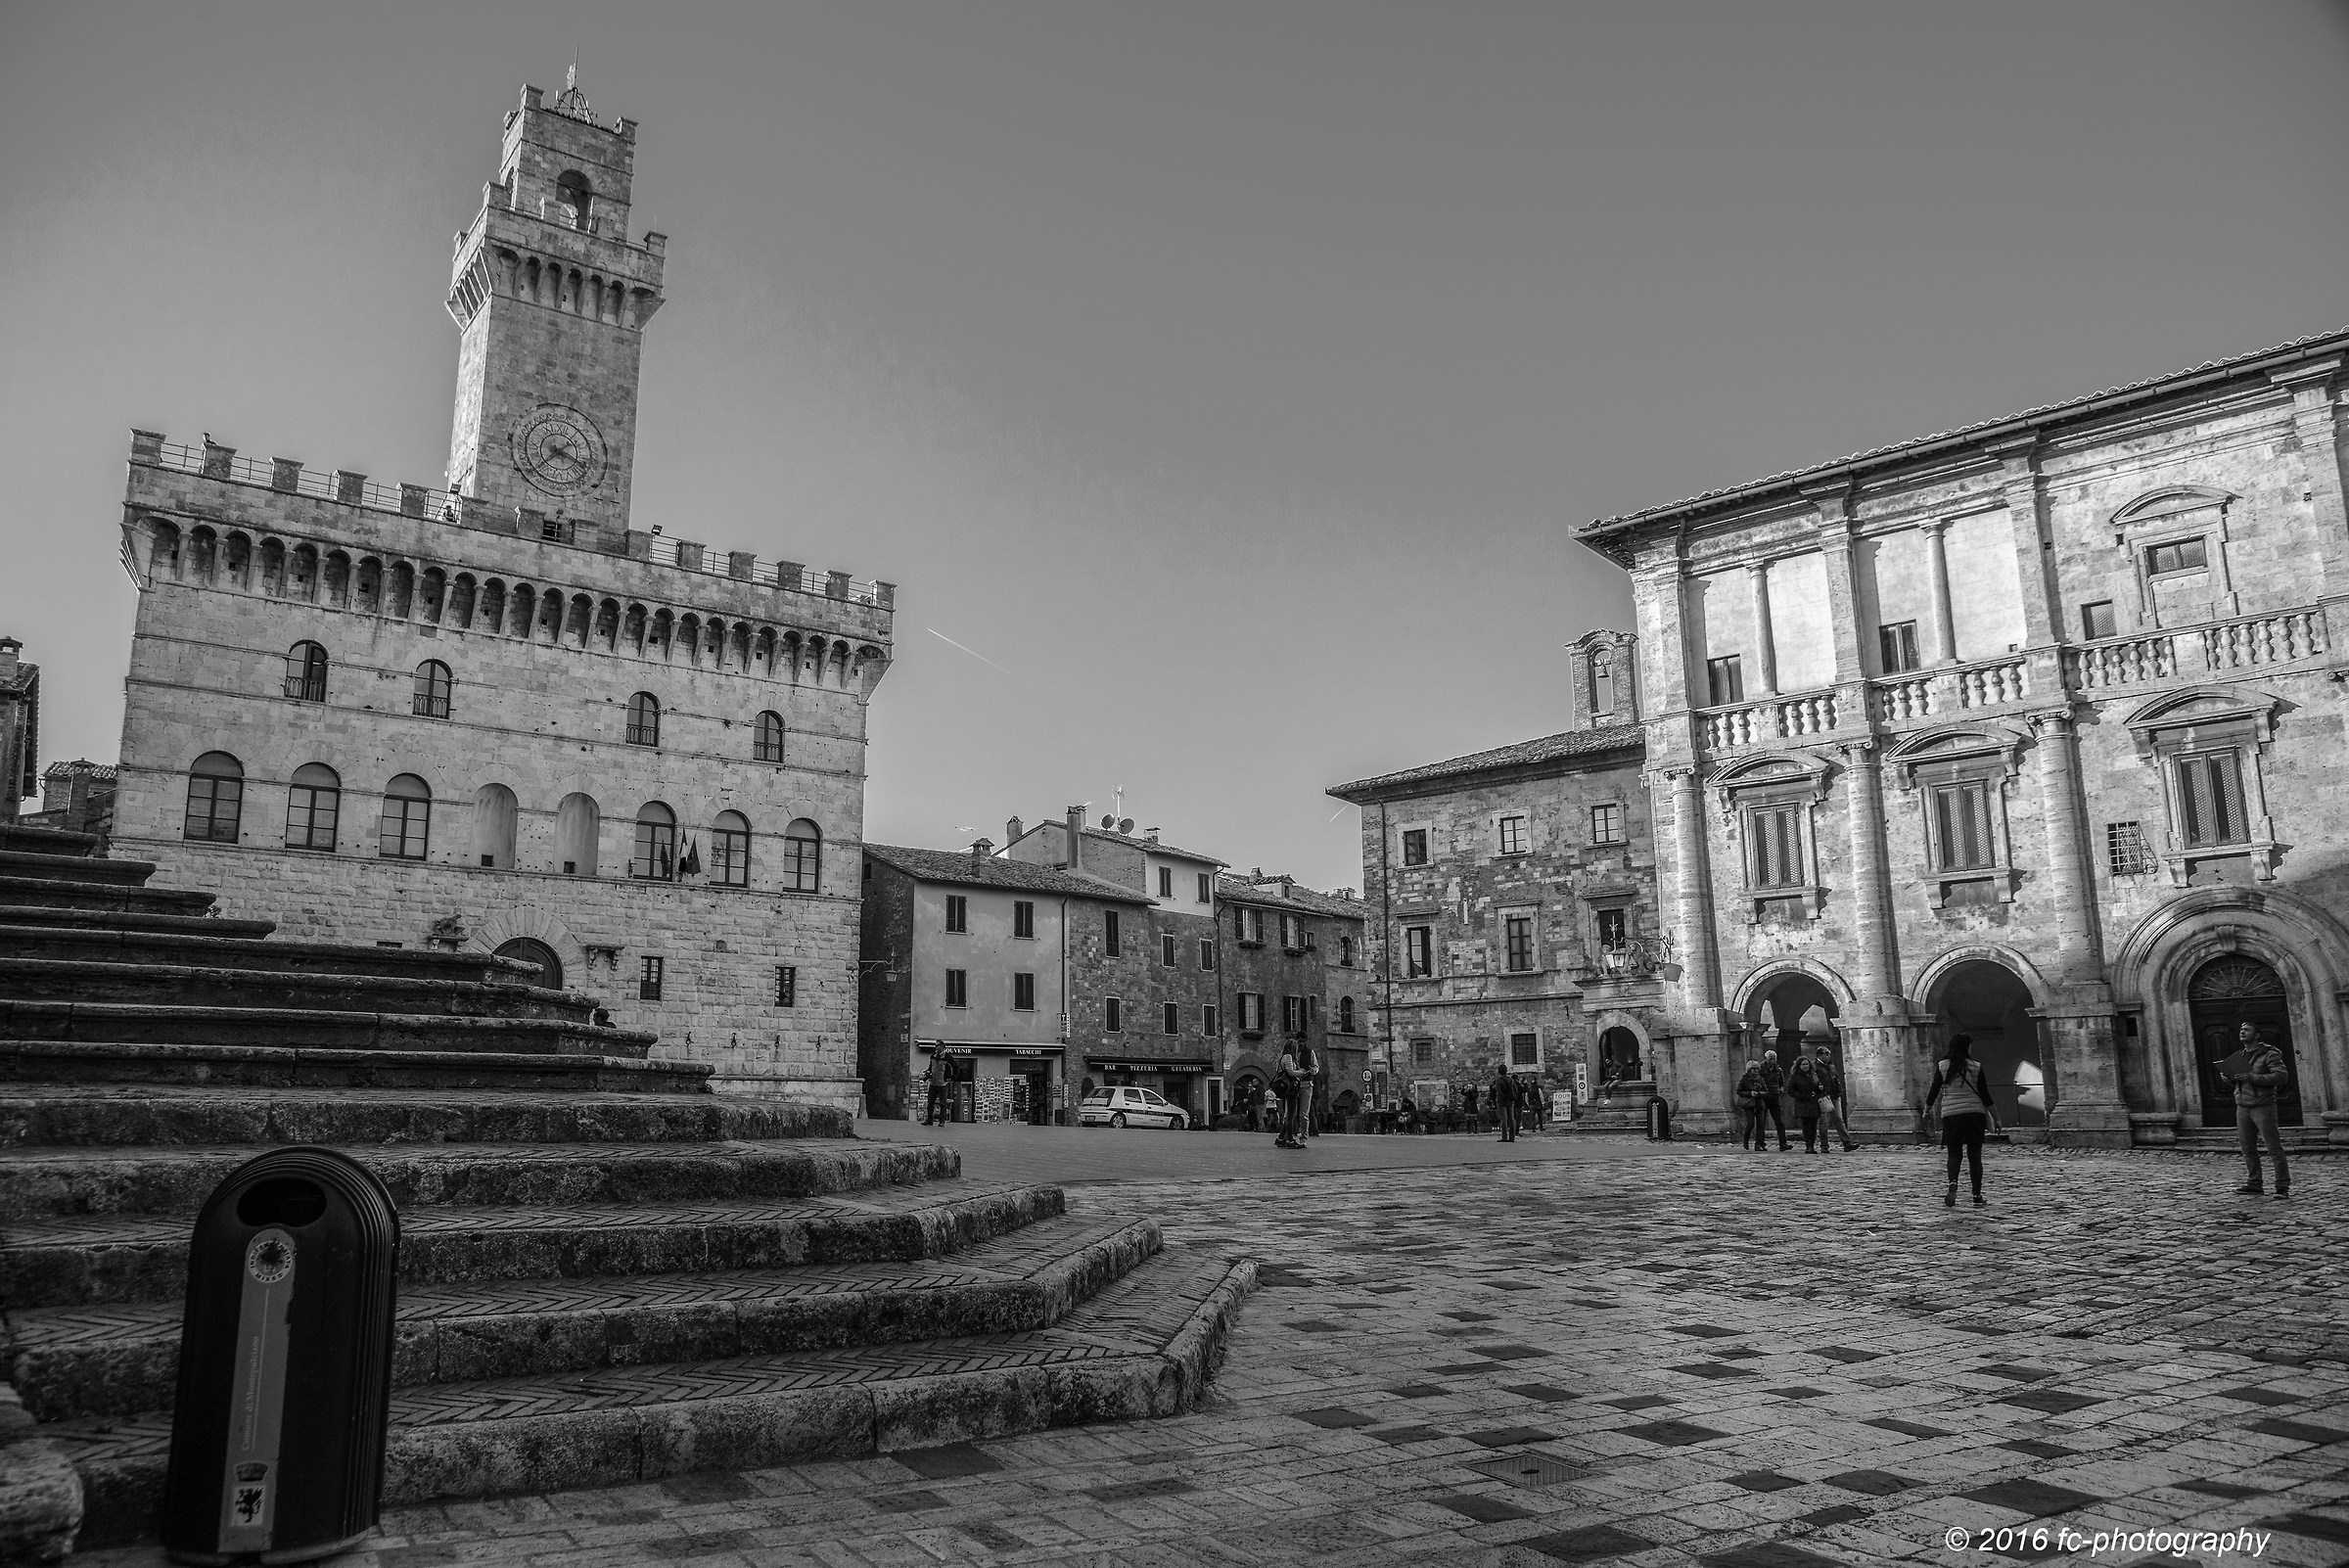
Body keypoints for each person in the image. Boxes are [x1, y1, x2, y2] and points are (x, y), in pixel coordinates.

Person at [1924, 1033, 1996, 1208]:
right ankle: (1977, 1195)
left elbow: (1934, 1090)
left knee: (1954, 1154)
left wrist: (1926, 1110)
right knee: (1974, 1156)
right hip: (1974, 1114)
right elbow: (1985, 1095)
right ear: (1967, 1047)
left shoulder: (1943, 1066)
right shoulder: (1976, 1067)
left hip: (1951, 1114)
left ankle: (1953, 1182)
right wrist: (1997, 1117)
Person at [2225, 1021, 2292, 1199]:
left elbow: (2281, 1077)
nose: (2242, 1032)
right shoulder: (2240, 1056)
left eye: (2247, 1030)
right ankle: (2254, 1183)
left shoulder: (2269, 1054)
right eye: (2241, 1029)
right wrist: (2229, 1079)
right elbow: (2240, 1082)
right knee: (2247, 1149)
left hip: (2263, 1106)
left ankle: (2282, 1186)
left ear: (2257, 1035)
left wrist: (2252, 1077)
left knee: (2274, 1148)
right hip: (2242, 1106)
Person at [1814, 1046, 1858, 1152]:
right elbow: (1813, 1081)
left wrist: (1838, 1091)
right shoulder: (1815, 1066)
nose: (1828, 1056)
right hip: (1823, 1097)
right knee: (1824, 1122)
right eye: (1826, 1054)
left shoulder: (1831, 1066)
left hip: (1834, 1096)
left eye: (1829, 1053)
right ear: (1819, 1055)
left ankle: (1847, 1143)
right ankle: (1824, 1145)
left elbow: (1836, 1079)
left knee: (1839, 1120)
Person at [1785, 1051, 1824, 1153]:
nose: (1805, 1066)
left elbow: (1818, 1085)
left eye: (1807, 1064)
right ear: (1799, 1065)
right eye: (1803, 1064)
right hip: (1803, 1103)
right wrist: (1802, 1096)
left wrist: (1820, 1088)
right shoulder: (1795, 1076)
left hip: (1814, 1103)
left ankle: (1812, 1145)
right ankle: (1808, 1145)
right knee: (1806, 1125)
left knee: (1813, 1125)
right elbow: (1790, 1090)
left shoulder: (1813, 1075)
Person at [1758, 1049, 1791, 1150]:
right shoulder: (1760, 1069)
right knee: (1761, 1122)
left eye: (1774, 1059)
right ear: (1766, 1059)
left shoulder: (1778, 1070)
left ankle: (1783, 1143)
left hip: (1775, 1098)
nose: (1772, 1061)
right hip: (1764, 1098)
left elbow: (1782, 1083)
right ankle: (1760, 1143)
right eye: (1770, 1059)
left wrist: (1781, 1089)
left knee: (1779, 1121)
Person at [1734, 1057, 1768, 1151]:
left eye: (1757, 1068)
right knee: (1751, 1123)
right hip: (1749, 1104)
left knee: (1761, 1125)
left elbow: (1766, 1091)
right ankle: (1746, 1140)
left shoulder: (1761, 1079)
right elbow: (1739, 1091)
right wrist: (1750, 1093)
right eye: (1754, 1068)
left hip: (1759, 1103)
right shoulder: (1744, 1079)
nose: (1756, 1070)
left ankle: (1758, 1144)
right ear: (1749, 1069)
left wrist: (1759, 1093)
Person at [1493, 1066, 1519, 1142]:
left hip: (1502, 1101)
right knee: (1511, 1118)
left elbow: (1499, 1092)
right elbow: (1515, 1091)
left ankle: (1504, 1137)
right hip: (1510, 1100)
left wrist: (1503, 1098)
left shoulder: (1498, 1081)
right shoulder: (1511, 1080)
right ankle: (1512, 1136)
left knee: (1503, 1118)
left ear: (1499, 1071)